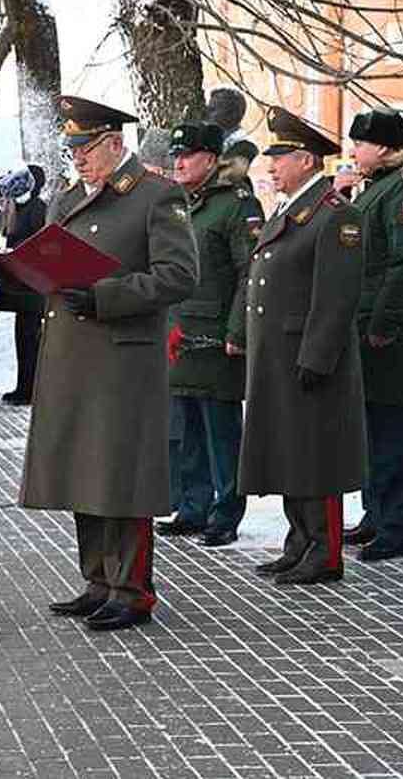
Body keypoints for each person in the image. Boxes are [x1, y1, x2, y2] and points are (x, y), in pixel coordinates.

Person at [20, 95, 199, 633]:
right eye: (72, 148)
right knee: (85, 472)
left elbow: (178, 276)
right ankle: (97, 580)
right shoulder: (68, 199)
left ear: (116, 143)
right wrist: (19, 273)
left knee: (121, 475)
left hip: (123, 358)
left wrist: (107, 296)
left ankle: (132, 590)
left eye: (86, 147)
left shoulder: (155, 196)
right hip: (73, 355)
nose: (77, 157)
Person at [238, 107, 365, 585]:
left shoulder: (335, 214)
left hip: (308, 356)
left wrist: (317, 356)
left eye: (280, 157)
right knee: (289, 450)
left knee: (316, 454)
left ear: (307, 160)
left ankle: (324, 550)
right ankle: (300, 539)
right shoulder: (290, 208)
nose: (271, 166)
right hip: (278, 355)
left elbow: (336, 294)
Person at [338, 108, 403, 561]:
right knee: (371, 429)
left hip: (387, 332)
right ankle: (376, 513)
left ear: (382, 146)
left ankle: (396, 527)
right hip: (365, 325)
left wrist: (386, 323)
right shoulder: (378, 186)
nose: (353, 150)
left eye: (360, 143)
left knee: (391, 430)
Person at [156, 121, 261, 548]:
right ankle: (192, 507)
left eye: (188, 155)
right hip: (179, 333)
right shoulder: (177, 202)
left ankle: (226, 512)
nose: (179, 163)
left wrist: (238, 329)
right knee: (187, 431)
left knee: (221, 433)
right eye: (176, 155)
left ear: (212, 159)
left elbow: (249, 272)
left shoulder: (236, 205)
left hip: (216, 337)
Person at [0, 164, 47, 405]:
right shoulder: (18, 208)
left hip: (33, 288)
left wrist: (16, 254)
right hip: (20, 285)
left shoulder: (37, 208)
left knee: (31, 341)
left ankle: (31, 389)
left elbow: (40, 244)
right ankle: (23, 386)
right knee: (22, 339)